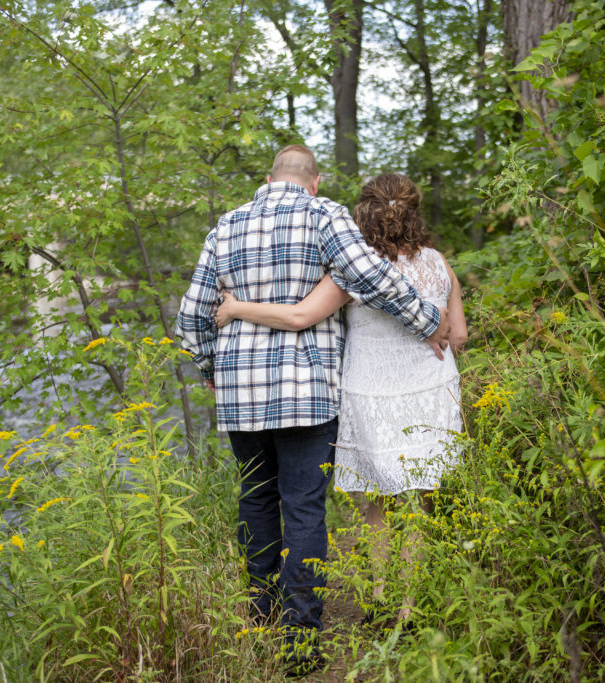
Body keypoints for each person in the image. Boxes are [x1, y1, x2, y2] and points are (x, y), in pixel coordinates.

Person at [177, 147, 450, 675]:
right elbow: (372, 275)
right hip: (308, 390)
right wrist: (426, 321)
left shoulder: (225, 226)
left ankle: (261, 620)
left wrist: (209, 364)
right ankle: (301, 640)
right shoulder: (324, 215)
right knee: (304, 506)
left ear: (267, 178)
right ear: (315, 182)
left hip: (241, 392)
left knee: (256, 500)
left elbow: (193, 313)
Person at [215, 172, 467, 626]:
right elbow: (459, 335)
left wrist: (235, 309)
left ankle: (378, 596)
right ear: (414, 211)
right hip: (431, 389)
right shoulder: (438, 262)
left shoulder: (355, 268)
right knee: (420, 501)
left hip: (370, 390)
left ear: (363, 212)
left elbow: (300, 315)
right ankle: (412, 605)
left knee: (375, 507)